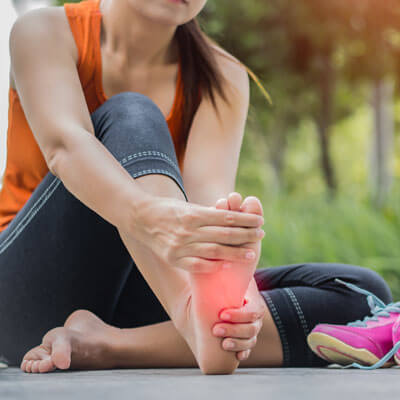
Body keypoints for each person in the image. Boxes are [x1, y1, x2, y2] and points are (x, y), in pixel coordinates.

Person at [0, 0, 392, 374]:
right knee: (132, 113)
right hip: (30, 292)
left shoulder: (222, 75)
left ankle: (106, 344)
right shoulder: (44, 31)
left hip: (147, 294)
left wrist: (234, 301)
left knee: (361, 295)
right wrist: (148, 217)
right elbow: (65, 147)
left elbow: (209, 207)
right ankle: (191, 320)